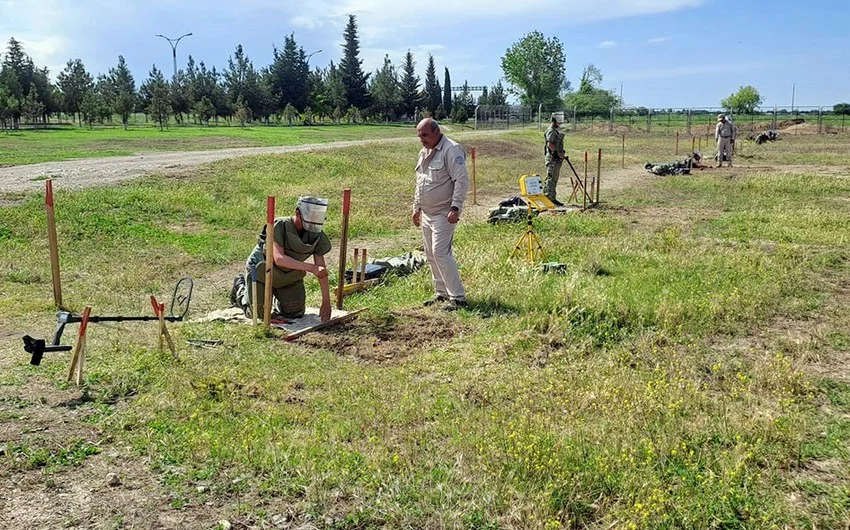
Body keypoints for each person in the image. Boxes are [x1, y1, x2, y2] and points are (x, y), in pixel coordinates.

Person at [231, 197, 333, 322]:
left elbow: (321, 271)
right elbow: (279, 259)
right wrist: (311, 268)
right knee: (258, 314)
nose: (313, 221)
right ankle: (240, 289)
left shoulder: (316, 234)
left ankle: (276, 298)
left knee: (295, 312)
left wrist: (326, 302)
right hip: (263, 270)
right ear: (297, 213)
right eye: (310, 217)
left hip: (289, 275)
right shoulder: (280, 225)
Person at [412, 118, 469, 311]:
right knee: (430, 254)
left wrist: (455, 208)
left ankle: (458, 298)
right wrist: (416, 207)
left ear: (436, 132)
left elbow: (461, 180)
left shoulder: (451, 150)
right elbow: (420, 181)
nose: (422, 139)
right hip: (427, 213)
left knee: (440, 253)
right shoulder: (424, 152)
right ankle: (441, 293)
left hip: (444, 214)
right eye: (419, 136)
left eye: (425, 135)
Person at [543, 116, 566, 206]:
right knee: (550, 178)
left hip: (557, 158)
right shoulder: (551, 131)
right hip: (552, 158)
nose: (560, 123)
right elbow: (550, 144)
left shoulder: (555, 131)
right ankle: (547, 198)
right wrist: (557, 153)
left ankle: (552, 198)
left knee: (554, 178)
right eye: (558, 122)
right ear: (554, 121)